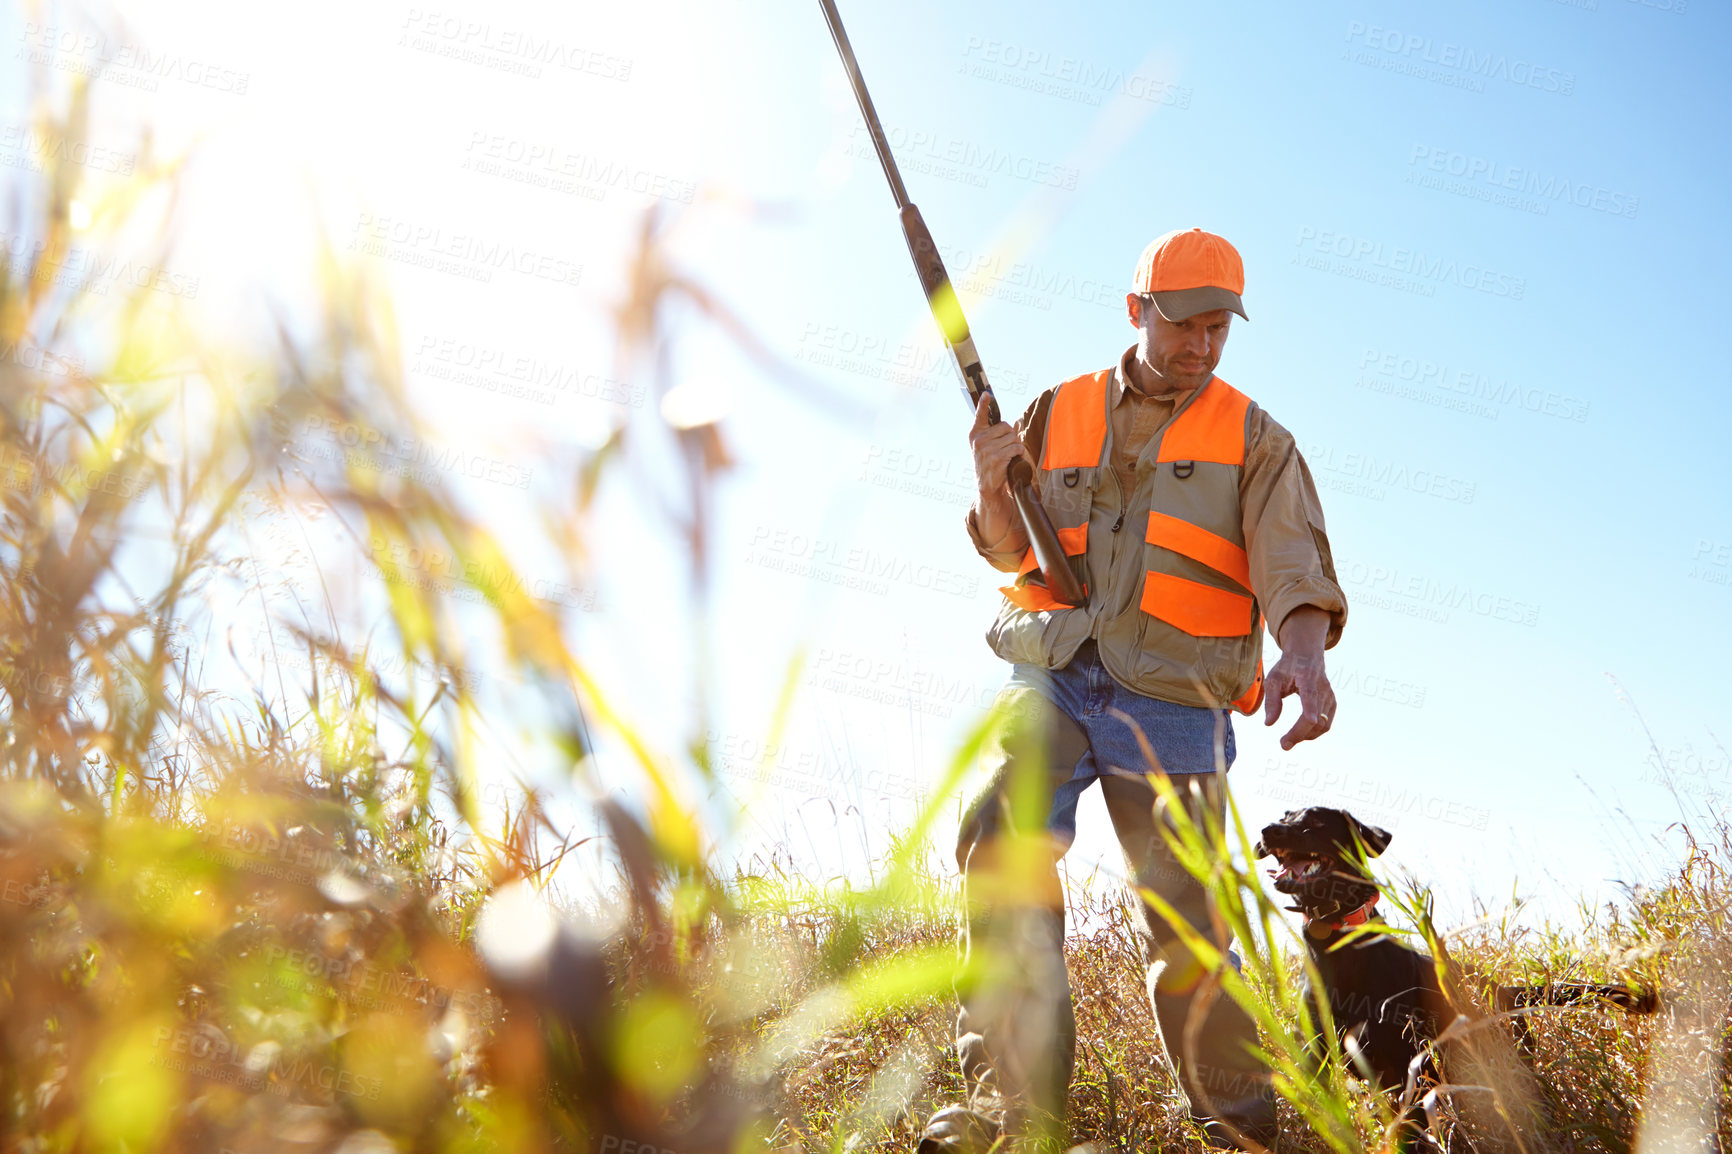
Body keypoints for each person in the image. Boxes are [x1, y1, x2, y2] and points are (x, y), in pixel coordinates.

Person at [919, 228, 1347, 1153]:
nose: (1201, 345)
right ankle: (1012, 1114)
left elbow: (1295, 564)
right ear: (1137, 310)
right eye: (1184, 322)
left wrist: (1304, 654)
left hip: (1177, 702)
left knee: (1189, 922)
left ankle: (1237, 1130)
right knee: (1002, 843)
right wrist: (992, 489)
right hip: (1056, 672)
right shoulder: (1056, 407)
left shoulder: (1256, 438)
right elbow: (1007, 547)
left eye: (1219, 328)